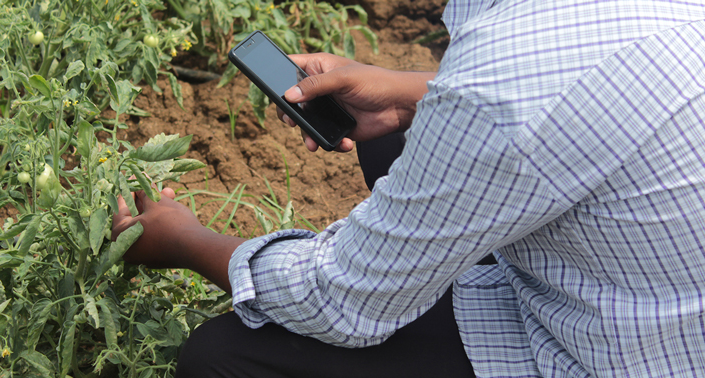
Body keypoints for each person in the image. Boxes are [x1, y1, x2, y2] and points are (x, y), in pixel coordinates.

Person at [112, 0, 705, 376]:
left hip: (612, 353)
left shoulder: (504, 79)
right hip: (655, 299)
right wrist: (411, 93)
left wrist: (183, 241)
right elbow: (581, 90)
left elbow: (345, 301)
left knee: (221, 359)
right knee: (387, 140)